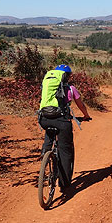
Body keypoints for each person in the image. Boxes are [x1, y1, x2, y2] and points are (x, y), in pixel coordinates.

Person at [38, 64, 91, 194]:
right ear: (67, 76)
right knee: (66, 152)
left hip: (44, 119)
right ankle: (64, 183)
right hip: (62, 122)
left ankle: (46, 155)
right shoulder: (71, 89)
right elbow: (81, 105)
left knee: (49, 133)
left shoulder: (47, 86)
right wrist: (86, 116)